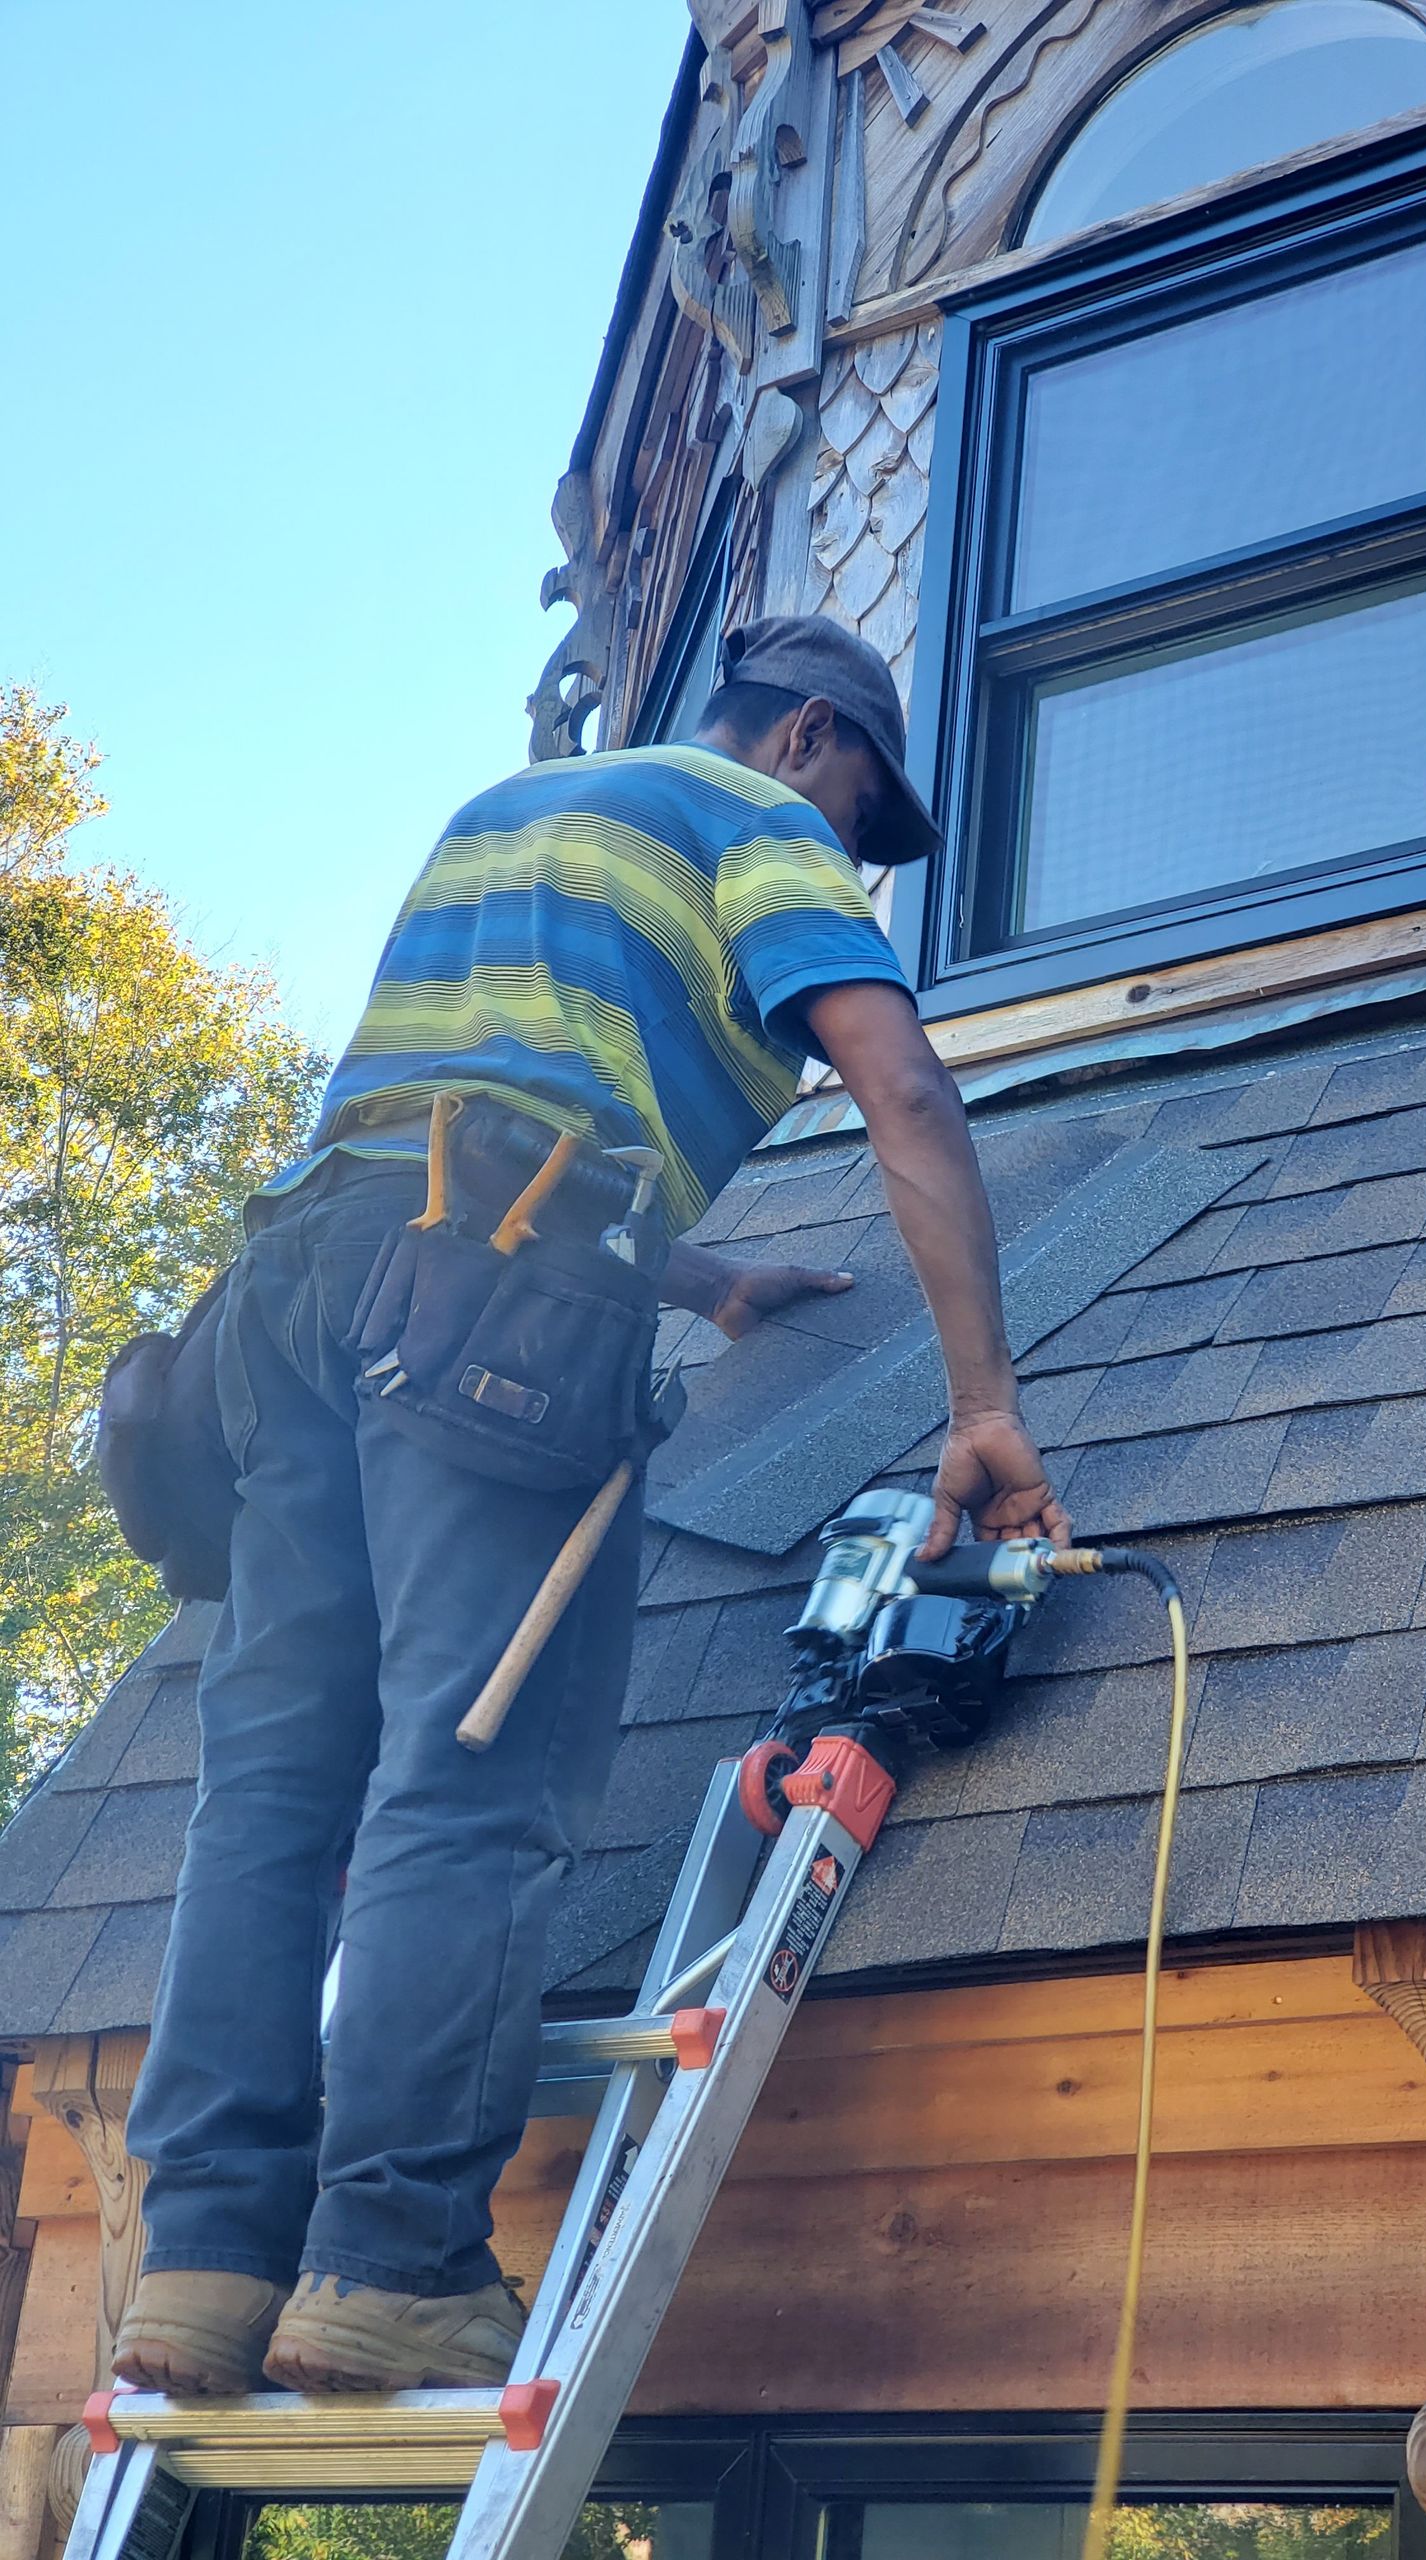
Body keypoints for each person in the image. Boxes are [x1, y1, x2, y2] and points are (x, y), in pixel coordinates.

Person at [112, 615, 1070, 2398]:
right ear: (802, 737)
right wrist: (986, 1406)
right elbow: (907, 1091)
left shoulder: (515, 807)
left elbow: (457, 1123)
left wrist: (691, 1278)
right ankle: (392, 2262)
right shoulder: (753, 824)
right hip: (491, 1306)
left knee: (266, 1792)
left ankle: (205, 2268)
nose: (859, 857)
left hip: (295, 1303)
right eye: (864, 810)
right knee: (466, 1775)